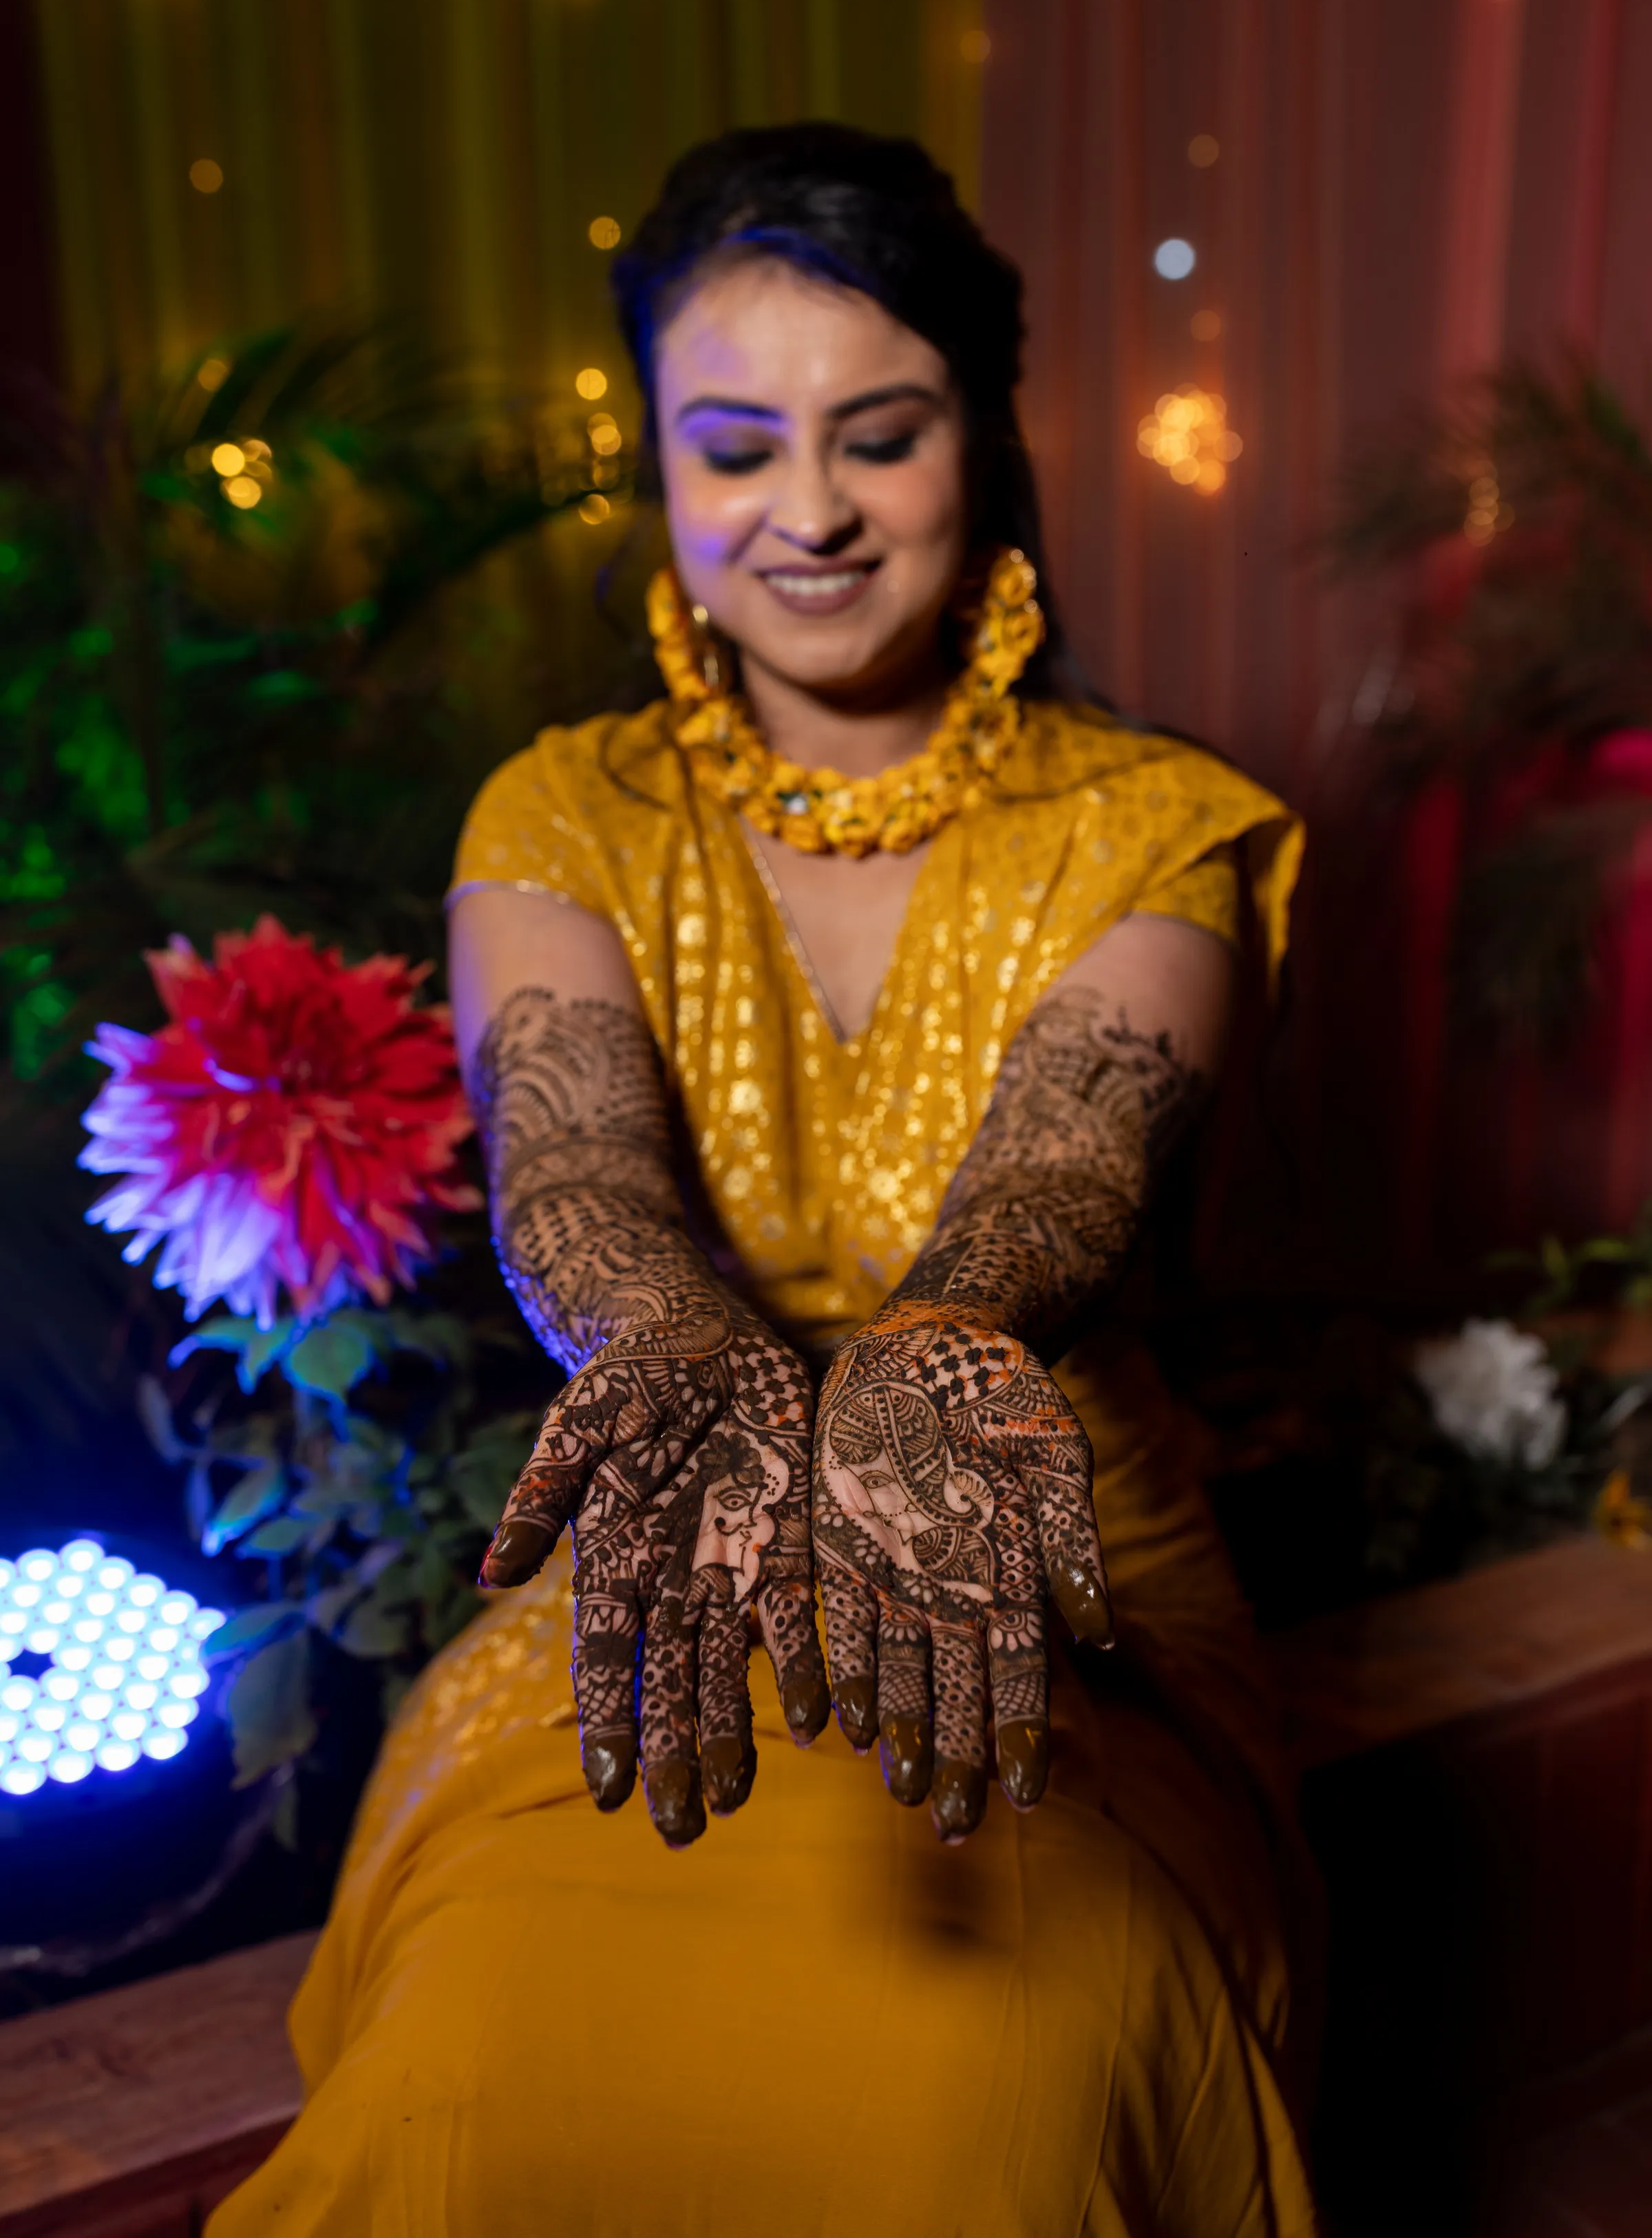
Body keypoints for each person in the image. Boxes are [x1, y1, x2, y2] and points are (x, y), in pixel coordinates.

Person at [210, 124, 1315, 2237]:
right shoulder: (562, 813)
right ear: (661, 465)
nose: (809, 511)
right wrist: (673, 1340)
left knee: (1002, 2098)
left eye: (879, 437)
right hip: (657, 1566)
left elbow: (1075, 1150)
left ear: (985, 443)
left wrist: (938, 1342)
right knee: (477, 2069)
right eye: (735, 449)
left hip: (1049, 1587)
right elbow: (573, 1156)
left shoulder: (1162, 829)